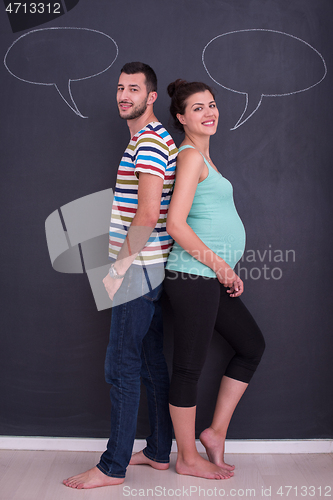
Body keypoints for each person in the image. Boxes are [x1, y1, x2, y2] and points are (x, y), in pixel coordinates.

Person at [63, 62, 177, 489]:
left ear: (151, 98)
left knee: (121, 367)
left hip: (137, 271)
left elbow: (148, 214)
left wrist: (119, 268)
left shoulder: (147, 142)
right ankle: (159, 451)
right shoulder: (150, 140)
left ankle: (112, 467)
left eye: (134, 89)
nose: (123, 95)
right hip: (149, 270)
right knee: (149, 362)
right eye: (119, 88)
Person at [164, 80, 265, 480]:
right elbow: (175, 224)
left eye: (212, 105)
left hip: (207, 276)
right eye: (197, 108)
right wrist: (223, 267)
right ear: (181, 117)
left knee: (251, 346)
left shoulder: (205, 157)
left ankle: (215, 433)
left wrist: (223, 269)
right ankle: (187, 458)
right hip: (192, 275)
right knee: (188, 368)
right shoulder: (190, 156)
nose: (209, 112)